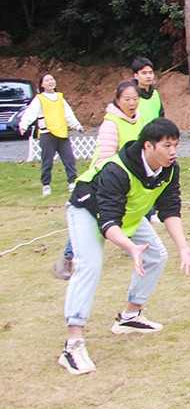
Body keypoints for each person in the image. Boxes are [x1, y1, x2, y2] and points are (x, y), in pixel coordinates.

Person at [59, 118, 190, 375]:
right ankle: (73, 344)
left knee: (157, 256)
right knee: (89, 266)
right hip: (88, 210)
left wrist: (183, 247)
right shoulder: (116, 170)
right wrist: (130, 247)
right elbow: (108, 219)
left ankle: (130, 317)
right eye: (167, 146)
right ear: (148, 146)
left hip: (127, 212)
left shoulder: (169, 169)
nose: (173, 152)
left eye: (176, 145)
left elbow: (170, 208)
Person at [54, 80, 143, 280]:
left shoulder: (140, 121)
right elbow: (106, 158)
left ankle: (132, 246)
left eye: (135, 99)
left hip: (127, 180)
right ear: (117, 100)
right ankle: (68, 258)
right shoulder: (111, 124)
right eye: (127, 99)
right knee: (94, 218)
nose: (132, 103)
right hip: (102, 180)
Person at [18, 73, 84, 196]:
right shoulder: (39, 99)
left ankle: (72, 182)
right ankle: (46, 185)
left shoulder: (60, 97)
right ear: (42, 84)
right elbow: (30, 113)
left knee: (69, 159)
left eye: (52, 79)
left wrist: (77, 125)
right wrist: (23, 125)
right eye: (47, 80)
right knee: (47, 162)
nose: (50, 82)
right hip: (47, 134)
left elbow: (68, 114)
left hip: (62, 133)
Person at [132, 56, 165, 128]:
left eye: (150, 73)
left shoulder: (155, 93)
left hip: (155, 133)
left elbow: (161, 115)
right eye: (144, 73)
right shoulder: (131, 95)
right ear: (136, 76)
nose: (148, 76)